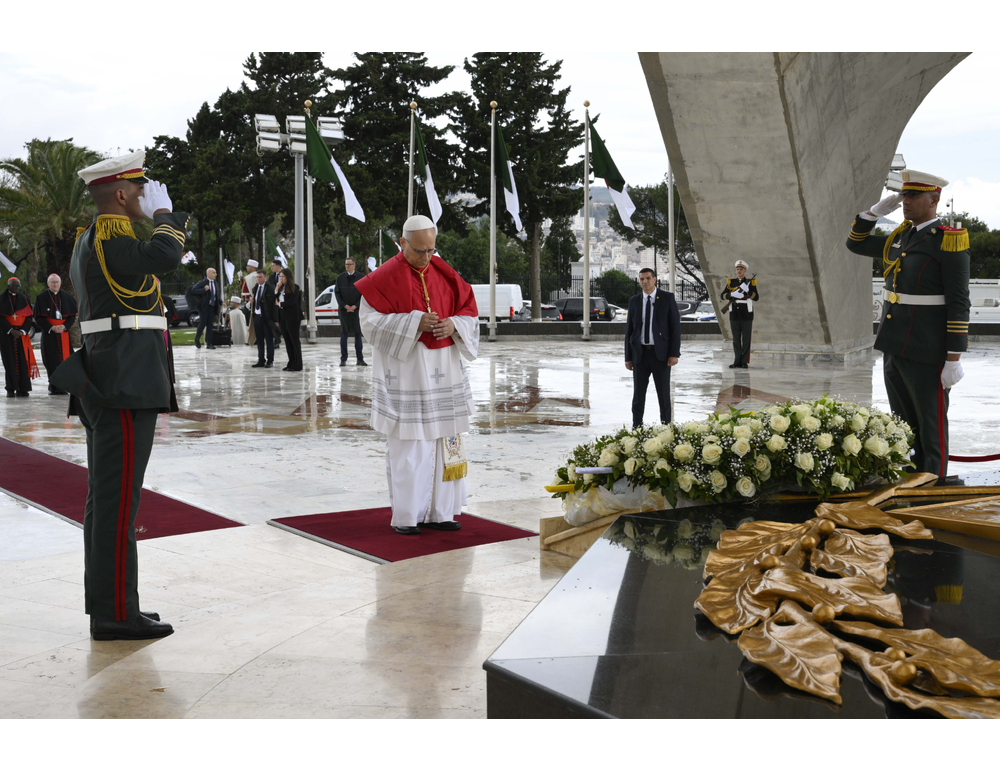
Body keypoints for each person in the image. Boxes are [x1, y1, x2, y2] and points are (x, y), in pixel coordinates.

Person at [50, 150, 186, 641]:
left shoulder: (100, 238)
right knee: (114, 505)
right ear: (123, 194)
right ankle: (113, 615)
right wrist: (167, 217)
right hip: (122, 385)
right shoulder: (110, 235)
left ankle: (117, 604)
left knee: (110, 502)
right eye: (142, 189)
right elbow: (165, 257)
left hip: (118, 379)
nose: (148, 197)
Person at [356, 215, 479, 535]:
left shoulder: (444, 271)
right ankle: (408, 516)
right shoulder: (382, 277)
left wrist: (454, 325)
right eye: (420, 251)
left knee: (445, 442)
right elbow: (369, 324)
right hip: (408, 371)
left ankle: (442, 512)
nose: (427, 257)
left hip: (445, 369)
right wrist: (413, 323)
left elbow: (468, 309)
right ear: (402, 242)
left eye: (431, 250)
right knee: (410, 444)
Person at [846, 169, 970, 477]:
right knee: (903, 425)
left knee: (931, 427)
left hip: (928, 350)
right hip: (895, 344)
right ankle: (911, 481)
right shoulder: (900, 236)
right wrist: (872, 213)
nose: (906, 202)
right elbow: (855, 244)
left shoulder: (948, 241)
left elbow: (958, 302)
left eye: (914, 196)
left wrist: (953, 357)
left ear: (934, 199)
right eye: (904, 196)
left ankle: (933, 487)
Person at [625, 268, 681, 428]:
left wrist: (674, 353)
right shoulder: (634, 301)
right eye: (642, 279)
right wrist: (628, 357)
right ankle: (637, 427)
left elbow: (675, 328)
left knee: (663, 394)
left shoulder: (667, 298)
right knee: (638, 395)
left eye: (648, 278)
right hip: (640, 355)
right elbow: (629, 330)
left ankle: (666, 427)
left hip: (661, 356)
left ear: (655, 279)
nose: (645, 282)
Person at [33, 273, 78, 395]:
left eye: (57, 282)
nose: (55, 284)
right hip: (49, 335)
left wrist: (64, 326)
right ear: (48, 284)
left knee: (66, 360)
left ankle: (65, 386)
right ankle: (54, 387)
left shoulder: (67, 297)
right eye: (52, 282)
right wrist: (51, 327)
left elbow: (72, 316)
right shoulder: (41, 297)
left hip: (63, 333)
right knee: (51, 360)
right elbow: (37, 318)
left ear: (60, 283)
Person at [0, 277, 38, 396]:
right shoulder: (1, 299)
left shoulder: (24, 299)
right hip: (7, 335)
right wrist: (11, 330)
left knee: (23, 361)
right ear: (8, 286)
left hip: (21, 335)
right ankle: (10, 389)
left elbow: (29, 317)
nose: (17, 288)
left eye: (18, 286)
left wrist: (22, 330)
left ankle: (23, 389)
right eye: (15, 286)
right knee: (9, 362)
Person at [721, 260, 759, 368]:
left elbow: (756, 297)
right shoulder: (731, 283)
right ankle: (737, 360)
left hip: (746, 314)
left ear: (745, 271)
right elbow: (722, 295)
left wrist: (748, 291)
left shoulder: (751, 282)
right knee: (736, 339)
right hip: (734, 314)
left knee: (746, 339)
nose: (739, 271)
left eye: (741, 269)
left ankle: (744, 362)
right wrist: (731, 295)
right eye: (737, 269)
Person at [335, 256, 366, 366]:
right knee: (344, 334)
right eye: (346, 264)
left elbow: (364, 294)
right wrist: (344, 305)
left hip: (356, 310)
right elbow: (337, 293)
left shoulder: (361, 277)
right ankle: (343, 359)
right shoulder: (340, 278)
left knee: (358, 334)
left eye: (349, 264)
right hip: (344, 311)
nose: (347, 266)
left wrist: (355, 306)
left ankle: (360, 359)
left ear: (354, 265)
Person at [275, 268, 303, 371]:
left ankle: (298, 364)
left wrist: (280, 304)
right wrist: (276, 289)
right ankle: (291, 362)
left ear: (288, 277)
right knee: (287, 340)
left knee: (294, 340)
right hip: (283, 317)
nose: (281, 279)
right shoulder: (281, 288)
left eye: (283, 276)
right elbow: (274, 299)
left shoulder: (295, 287)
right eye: (280, 277)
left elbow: (293, 302)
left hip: (293, 317)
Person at [251, 268, 278, 368]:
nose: (258, 279)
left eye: (260, 277)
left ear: (265, 277)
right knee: (259, 340)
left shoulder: (269, 288)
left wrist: (275, 319)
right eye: (257, 277)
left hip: (266, 317)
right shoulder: (256, 287)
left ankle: (270, 360)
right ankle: (261, 359)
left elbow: (273, 304)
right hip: (257, 316)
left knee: (269, 340)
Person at [191, 267, 221, 349]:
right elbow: (193, 290)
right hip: (204, 307)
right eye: (214, 272)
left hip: (212, 306)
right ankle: (197, 338)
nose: (216, 274)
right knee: (203, 323)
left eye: (215, 272)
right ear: (208, 274)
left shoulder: (215, 283)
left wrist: (221, 302)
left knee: (210, 325)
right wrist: (203, 289)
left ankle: (209, 343)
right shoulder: (203, 282)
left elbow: (216, 295)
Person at [241, 259, 258, 347]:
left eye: (248, 266)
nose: (247, 268)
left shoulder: (253, 277)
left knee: (253, 322)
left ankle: (254, 339)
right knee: (250, 322)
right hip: (250, 302)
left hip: (253, 302)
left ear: (252, 267)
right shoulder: (249, 277)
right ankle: (252, 339)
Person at [266, 257, 282, 349]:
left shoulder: (283, 275)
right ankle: (275, 339)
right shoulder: (272, 276)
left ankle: (278, 338)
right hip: (273, 302)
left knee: (279, 321)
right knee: (274, 321)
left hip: (281, 301)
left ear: (278, 266)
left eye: (273, 266)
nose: (272, 267)